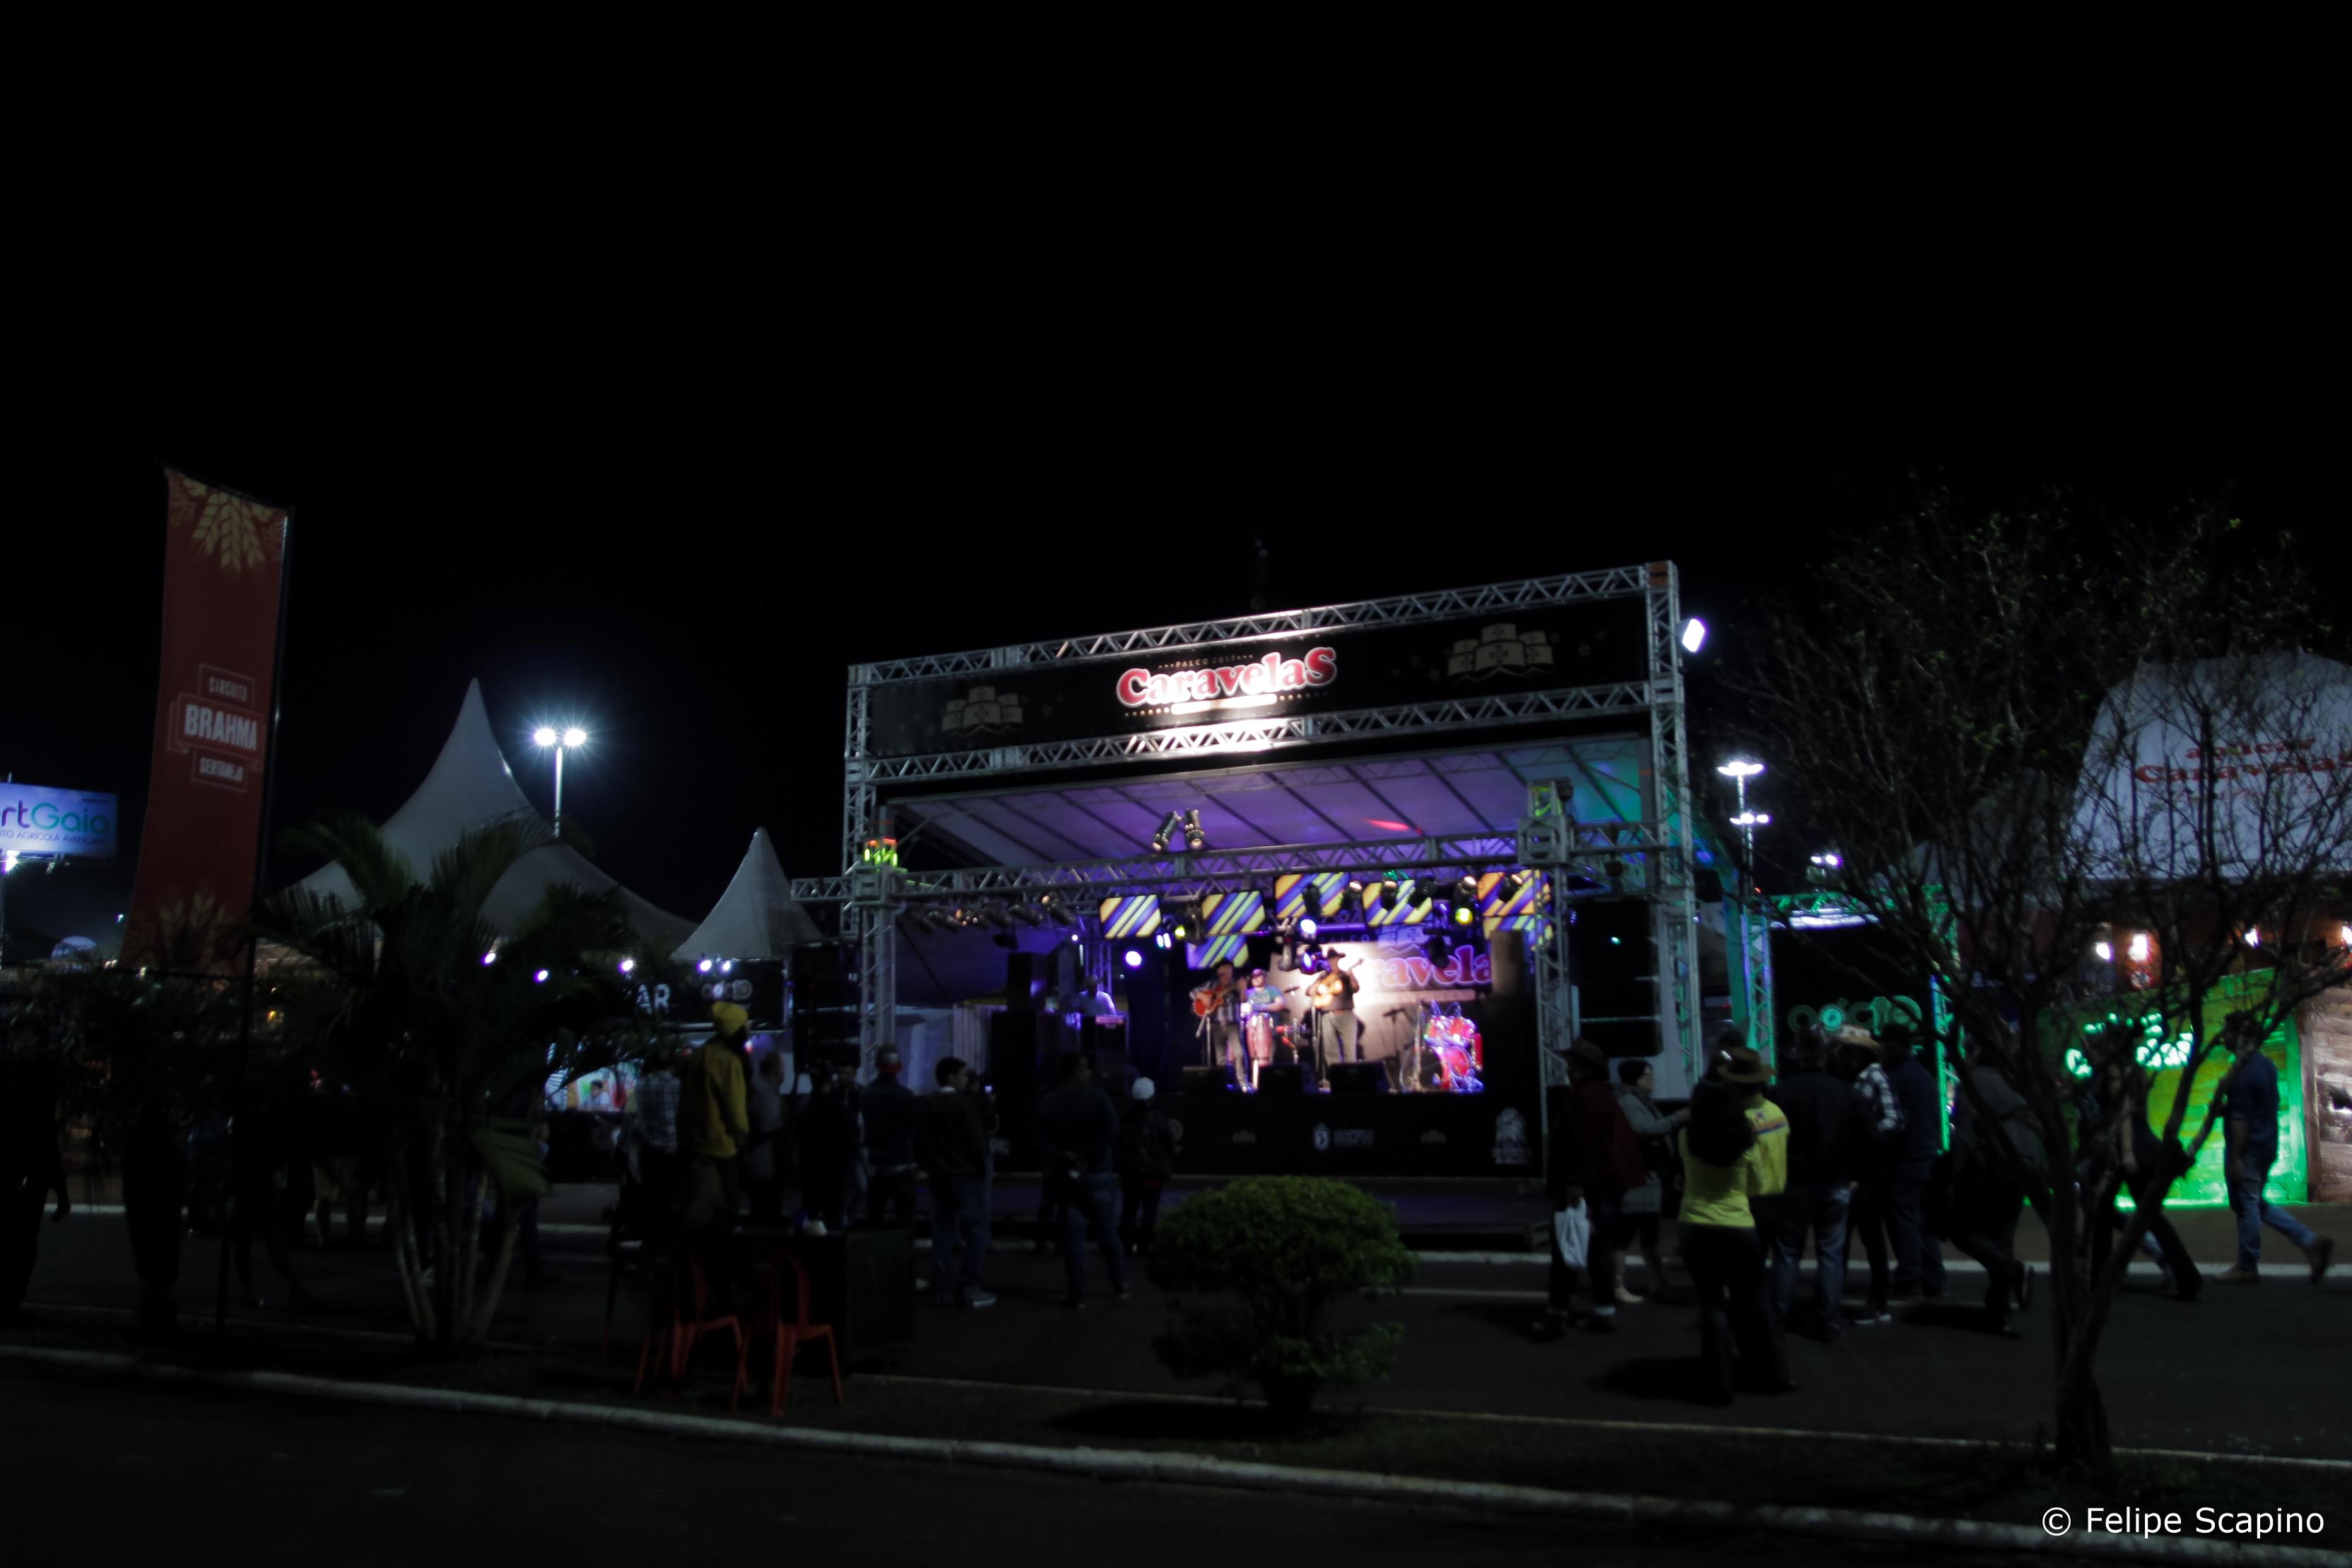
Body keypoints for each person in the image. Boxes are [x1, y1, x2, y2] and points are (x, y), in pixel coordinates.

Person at [1679, 1071, 1795, 1404]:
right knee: (1755, 1301)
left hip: (1695, 1224)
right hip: (1738, 1224)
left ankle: (1720, 1382)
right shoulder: (1745, 1137)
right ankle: (1773, 1374)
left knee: (1711, 1303)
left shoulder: (1686, 1136)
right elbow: (1756, 1184)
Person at [1536, 1039, 1647, 1336]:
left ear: (1584, 1069)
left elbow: (1583, 1146)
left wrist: (1575, 1186)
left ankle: (1556, 1316)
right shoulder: (1601, 1096)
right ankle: (1603, 1312)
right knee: (1599, 1252)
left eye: (1572, 1064)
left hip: (1584, 1191)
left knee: (1566, 1249)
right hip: (1602, 1189)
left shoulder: (1585, 1099)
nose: (1568, 1069)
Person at [2215, 1016, 2333, 1285]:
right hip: (2266, 1144)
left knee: (2246, 1204)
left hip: (2249, 1148)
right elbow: (2257, 1107)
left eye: (2229, 1031)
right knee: (2252, 1201)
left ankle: (2247, 1266)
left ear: (2242, 1036)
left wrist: (2236, 1158)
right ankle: (2310, 1242)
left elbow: (2241, 1120)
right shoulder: (2265, 1065)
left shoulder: (2242, 1073)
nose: (2223, 1036)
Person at [1940, 1051, 2040, 1334]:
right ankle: (1999, 1312)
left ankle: (2011, 1271)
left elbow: (1965, 1134)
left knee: (1962, 1231)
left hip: (1992, 1166)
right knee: (2003, 1235)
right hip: (2025, 1164)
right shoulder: (2018, 1081)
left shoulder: (1973, 1083)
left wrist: (1953, 1178)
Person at [1772, 1027, 1862, 1339]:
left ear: (1800, 1055)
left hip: (1795, 1181)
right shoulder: (1846, 1092)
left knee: (1787, 1251)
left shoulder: (1782, 1092)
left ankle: (1779, 1316)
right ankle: (1828, 1318)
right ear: (1826, 1055)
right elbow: (1869, 1136)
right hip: (1836, 1181)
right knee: (1831, 1252)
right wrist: (1855, 1173)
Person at [1035, 1054, 1126, 1307]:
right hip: (1097, 1172)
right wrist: (1090, 1155)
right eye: (1085, 1069)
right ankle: (1120, 1283)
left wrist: (1064, 1156)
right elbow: (1112, 1131)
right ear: (1077, 1071)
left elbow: (1039, 1140)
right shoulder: (1099, 1098)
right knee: (1107, 1231)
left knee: (1073, 1236)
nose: (1089, 1074)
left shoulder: (1047, 1101)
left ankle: (1077, 1292)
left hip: (1066, 1176)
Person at [1833, 1025, 1903, 1324]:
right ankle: (1875, 1301)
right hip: (1863, 1168)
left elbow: (1895, 1119)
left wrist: (1867, 1136)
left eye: (1848, 1051)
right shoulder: (1858, 1078)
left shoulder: (1872, 1077)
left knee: (1866, 1237)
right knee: (1862, 1237)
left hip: (1869, 1171)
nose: (1843, 1055)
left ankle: (1877, 1301)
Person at [1876, 1023, 1947, 1305]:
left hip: (1905, 1158)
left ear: (1894, 1045)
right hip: (1927, 1155)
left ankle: (1910, 1279)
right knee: (1924, 1223)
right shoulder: (1923, 1075)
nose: (1880, 1050)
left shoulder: (1895, 1077)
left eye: (1884, 1044)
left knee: (1904, 1221)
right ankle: (1935, 1280)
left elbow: (1895, 1121)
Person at [1, 1044, 72, 1321]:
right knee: (22, 1247)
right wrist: (62, 1194)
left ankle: (9, 1305)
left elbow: (48, 1150)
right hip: (28, 1184)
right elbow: (48, 1150)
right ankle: (10, 1304)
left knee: (17, 1245)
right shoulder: (37, 1109)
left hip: (22, 1182)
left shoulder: (18, 1104)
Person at [921, 1057, 996, 1308]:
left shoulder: (926, 1104)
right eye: (963, 1075)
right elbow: (976, 1144)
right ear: (951, 1077)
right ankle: (970, 1287)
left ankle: (943, 1288)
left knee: (943, 1231)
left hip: (938, 1175)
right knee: (975, 1230)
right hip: (965, 1175)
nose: (967, 1079)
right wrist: (979, 1170)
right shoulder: (964, 1105)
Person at [1611, 1058, 1687, 1304]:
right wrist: (1677, 1118)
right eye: (1648, 1075)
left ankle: (1658, 1282)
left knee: (1649, 1236)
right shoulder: (1629, 1102)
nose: (1652, 1080)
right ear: (1636, 1078)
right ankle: (1616, 1284)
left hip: (1648, 1179)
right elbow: (1644, 1129)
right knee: (1625, 1234)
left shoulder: (1639, 1100)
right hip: (1637, 1180)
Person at [679, 1003, 752, 1228]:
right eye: (746, 1024)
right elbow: (736, 1112)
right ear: (737, 1029)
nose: (749, 1027)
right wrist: (743, 1138)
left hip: (695, 1144)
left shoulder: (701, 1054)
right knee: (726, 1210)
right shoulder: (730, 1061)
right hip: (723, 1148)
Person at [859, 1047, 924, 1227]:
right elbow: (916, 1128)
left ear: (877, 1065)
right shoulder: (907, 1096)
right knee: (904, 1219)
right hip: (903, 1163)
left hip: (876, 1164)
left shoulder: (866, 1095)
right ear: (898, 1067)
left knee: (875, 1219)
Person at [794, 1061, 859, 1233]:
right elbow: (852, 1136)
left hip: (811, 1173)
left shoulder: (804, 1106)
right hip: (835, 1174)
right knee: (835, 1221)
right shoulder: (839, 1107)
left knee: (810, 1220)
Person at [1117, 1077, 1179, 1255]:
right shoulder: (1158, 1118)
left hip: (1130, 1173)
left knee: (1129, 1209)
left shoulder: (1124, 1117)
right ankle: (1145, 1246)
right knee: (1150, 1210)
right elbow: (1168, 1142)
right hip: (1153, 1173)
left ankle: (1126, 1246)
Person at [622, 1047, 683, 1220]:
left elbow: (639, 1119)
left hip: (648, 1146)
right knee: (670, 1194)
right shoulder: (675, 1084)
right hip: (670, 1148)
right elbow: (672, 1118)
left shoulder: (641, 1084)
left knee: (652, 1193)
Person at [742, 1051, 788, 1226]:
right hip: (765, 1157)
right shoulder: (765, 1091)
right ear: (775, 1070)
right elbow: (770, 1125)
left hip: (757, 1157)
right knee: (766, 1206)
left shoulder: (758, 1086)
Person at [1305, 955, 1363, 1083]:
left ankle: (1351, 1081)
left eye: (1334, 959)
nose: (1332, 962)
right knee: (1330, 1051)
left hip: (1346, 1015)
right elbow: (1310, 992)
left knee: (1349, 1050)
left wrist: (1351, 975)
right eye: (1330, 960)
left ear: (1338, 960)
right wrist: (1320, 981)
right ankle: (1337, 1080)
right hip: (1328, 1016)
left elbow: (1355, 988)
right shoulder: (1324, 977)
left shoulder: (1345, 975)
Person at [1196, 960, 1244, 1080]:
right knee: (1221, 1057)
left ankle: (1242, 1082)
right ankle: (1223, 1083)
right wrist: (1203, 996)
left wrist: (1243, 990)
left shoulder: (1236, 984)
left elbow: (1244, 999)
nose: (1227, 974)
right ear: (1219, 972)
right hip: (1217, 1025)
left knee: (1239, 1054)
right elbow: (1193, 993)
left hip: (1233, 1025)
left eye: (1229, 971)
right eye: (1224, 971)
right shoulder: (1212, 985)